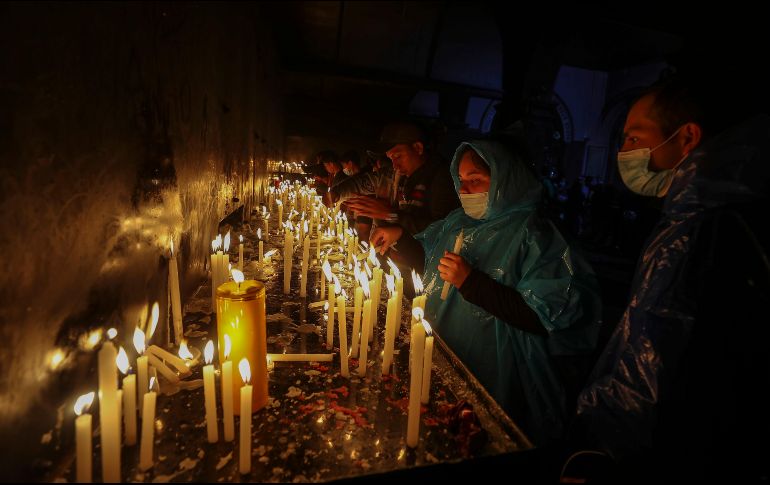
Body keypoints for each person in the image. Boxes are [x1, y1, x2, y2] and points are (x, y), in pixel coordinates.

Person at [572, 75, 770, 482]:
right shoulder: (706, 212)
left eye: (634, 137)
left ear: (686, 137)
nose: (623, 151)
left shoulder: (693, 229)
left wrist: (594, 426)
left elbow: (651, 370)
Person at [370, 138, 602, 446]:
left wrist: (471, 282)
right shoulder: (457, 222)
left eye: (476, 180)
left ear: (505, 181)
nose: (464, 191)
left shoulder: (536, 235)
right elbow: (431, 262)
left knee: (485, 436)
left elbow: (543, 315)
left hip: (500, 367)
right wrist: (401, 236)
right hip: (448, 348)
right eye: (461, 181)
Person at [346, 121, 460, 237]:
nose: (395, 166)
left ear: (418, 148)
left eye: (397, 156)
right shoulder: (406, 177)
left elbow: (441, 229)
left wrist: (390, 215)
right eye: (391, 159)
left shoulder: (442, 177)